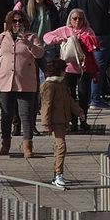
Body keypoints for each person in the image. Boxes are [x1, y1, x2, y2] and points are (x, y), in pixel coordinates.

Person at [0, 10, 44, 158]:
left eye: (20, 21)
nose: (18, 23)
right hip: (4, 81)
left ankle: (27, 145)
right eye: (15, 21)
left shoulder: (32, 36)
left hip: (26, 82)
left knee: (26, 115)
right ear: (10, 23)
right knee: (6, 114)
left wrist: (28, 43)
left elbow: (40, 53)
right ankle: (6, 143)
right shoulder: (3, 37)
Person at [37, 57, 81, 189]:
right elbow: (46, 105)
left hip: (63, 121)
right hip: (55, 122)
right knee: (61, 146)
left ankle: (57, 174)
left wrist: (79, 112)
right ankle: (58, 175)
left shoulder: (62, 84)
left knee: (58, 148)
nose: (65, 72)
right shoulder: (50, 85)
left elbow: (70, 100)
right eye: (64, 70)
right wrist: (46, 123)